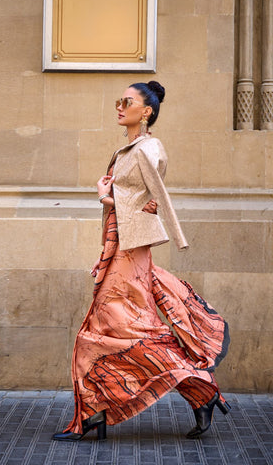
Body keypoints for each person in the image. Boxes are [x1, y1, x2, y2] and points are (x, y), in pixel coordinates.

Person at [52, 81, 230, 442]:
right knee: (101, 335)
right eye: (119, 101)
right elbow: (141, 198)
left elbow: (152, 198)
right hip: (123, 250)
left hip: (131, 251)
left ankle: (199, 389)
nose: (119, 106)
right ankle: (96, 412)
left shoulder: (148, 148)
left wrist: (106, 197)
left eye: (127, 102)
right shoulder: (130, 148)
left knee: (124, 333)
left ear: (146, 111)